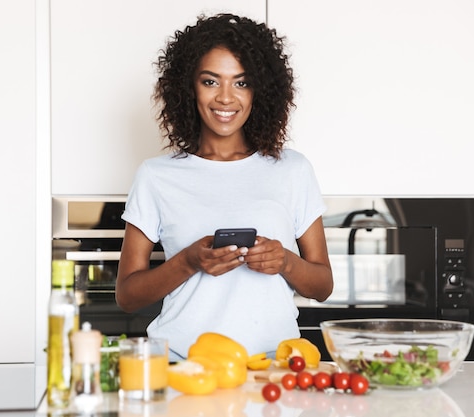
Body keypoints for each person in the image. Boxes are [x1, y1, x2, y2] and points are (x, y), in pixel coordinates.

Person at [116, 13, 334, 361]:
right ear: (189, 87)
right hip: (183, 366)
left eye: (242, 82)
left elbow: (323, 286)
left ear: (260, 90)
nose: (226, 98)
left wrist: (285, 262)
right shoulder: (156, 176)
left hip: (273, 366)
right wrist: (189, 261)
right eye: (210, 81)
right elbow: (127, 296)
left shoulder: (293, 170)